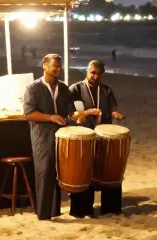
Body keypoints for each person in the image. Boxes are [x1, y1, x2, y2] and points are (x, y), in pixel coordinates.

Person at [23, 54, 79, 221]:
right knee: (44, 171)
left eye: (59, 66)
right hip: (42, 135)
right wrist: (51, 117)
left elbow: (71, 110)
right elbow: (29, 113)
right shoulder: (33, 88)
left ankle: (54, 211)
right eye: (54, 66)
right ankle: (43, 213)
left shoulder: (63, 88)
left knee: (58, 171)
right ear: (44, 66)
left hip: (61, 134)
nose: (57, 69)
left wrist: (80, 115)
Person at [68, 60, 126, 217]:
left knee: (107, 170)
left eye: (98, 74)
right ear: (87, 71)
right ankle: (83, 209)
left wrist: (115, 114)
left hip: (103, 136)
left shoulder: (106, 90)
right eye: (92, 72)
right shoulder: (76, 89)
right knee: (84, 172)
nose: (95, 76)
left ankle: (110, 208)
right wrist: (87, 113)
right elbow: (70, 113)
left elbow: (113, 108)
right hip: (84, 135)